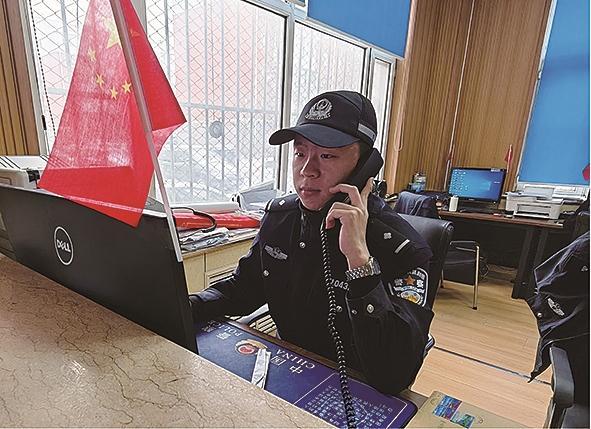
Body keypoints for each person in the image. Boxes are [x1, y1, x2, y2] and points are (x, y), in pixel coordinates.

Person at [189, 90, 433, 393]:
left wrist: (360, 261)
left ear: (365, 166)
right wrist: (188, 305)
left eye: (327, 156)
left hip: (357, 388)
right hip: (287, 372)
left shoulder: (403, 249)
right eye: (300, 153)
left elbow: (394, 375)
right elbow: (244, 289)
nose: (307, 170)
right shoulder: (281, 217)